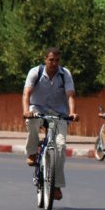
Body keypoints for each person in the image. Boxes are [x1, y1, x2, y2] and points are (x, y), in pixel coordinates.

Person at [22, 47, 79, 201]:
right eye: (51, 60)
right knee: (32, 122)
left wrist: (72, 113)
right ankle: (32, 152)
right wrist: (26, 111)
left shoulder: (65, 74)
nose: (54, 63)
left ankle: (57, 186)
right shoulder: (35, 72)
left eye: (57, 60)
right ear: (45, 59)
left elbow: (70, 95)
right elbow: (26, 93)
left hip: (58, 113)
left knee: (60, 146)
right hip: (37, 109)